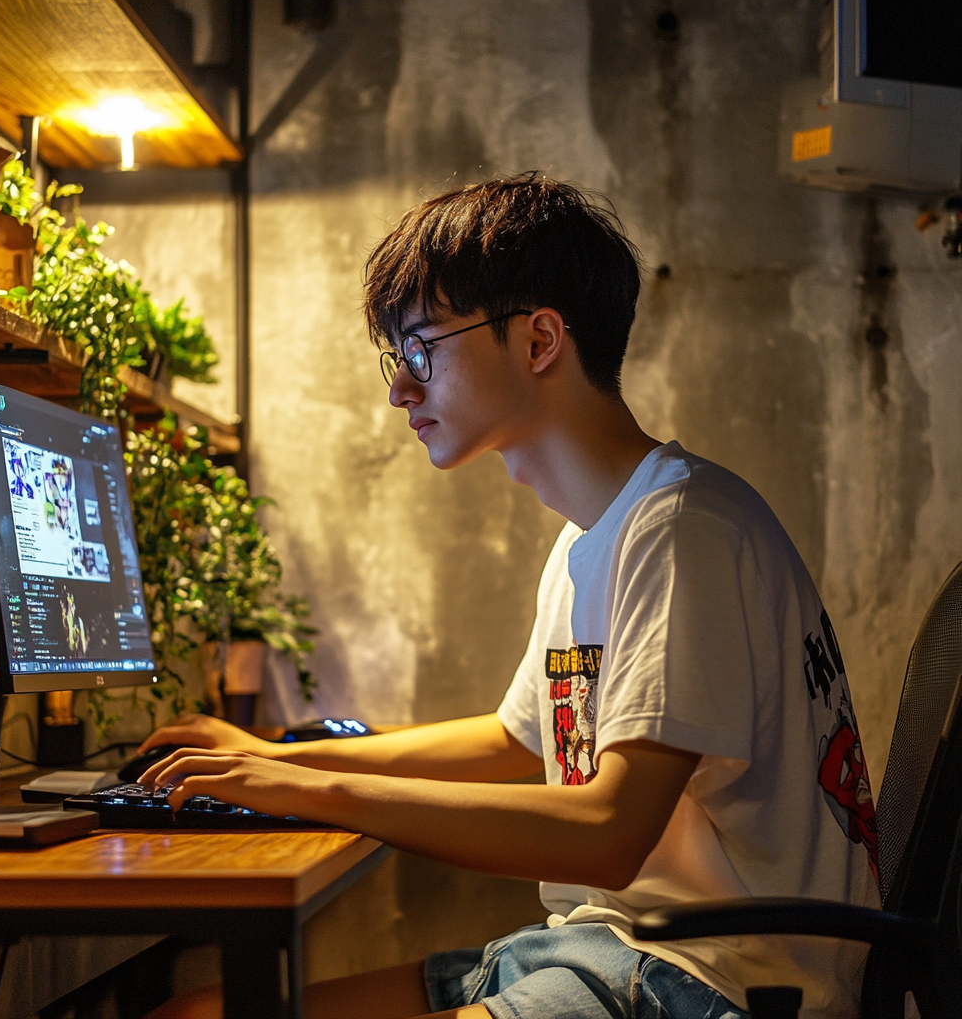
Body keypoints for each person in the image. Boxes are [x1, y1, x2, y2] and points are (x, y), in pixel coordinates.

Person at [141, 175, 879, 1019]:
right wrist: (274, 758)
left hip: (710, 982)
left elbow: (608, 831)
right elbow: (510, 737)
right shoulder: (585, 539)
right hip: (605, 950)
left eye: (422, 349)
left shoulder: (681, 528)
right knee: (195, 1013)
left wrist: (314, 791)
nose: (399, 391)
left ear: (538, 342)